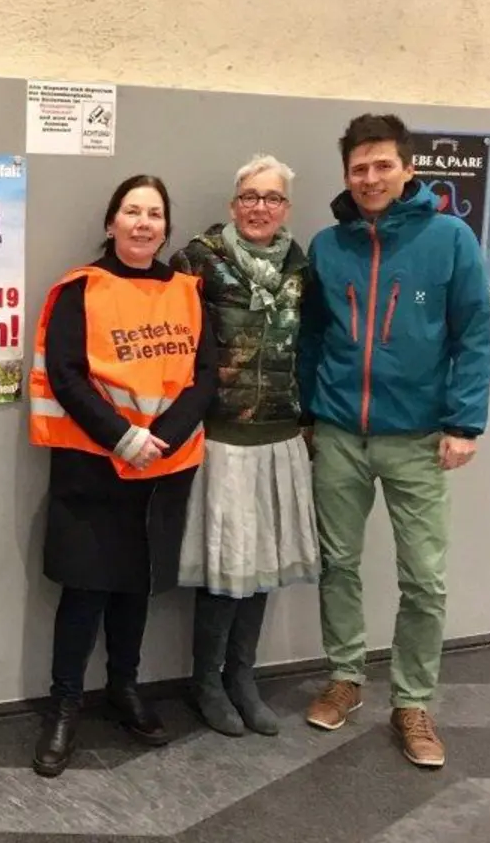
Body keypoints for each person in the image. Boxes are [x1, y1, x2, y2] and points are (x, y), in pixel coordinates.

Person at [297, 113, 490, 769]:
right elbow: (313, 338)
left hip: (418, 438)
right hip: (339, 433)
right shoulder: (329, 245)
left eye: (383, 165)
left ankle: (412, 702)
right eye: (359, 168)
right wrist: (308, 413)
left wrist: (466, 422)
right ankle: (346, 677)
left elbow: (472, 334)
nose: (371, 177)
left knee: (425, 579)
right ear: (347, 175)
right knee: (339, 564)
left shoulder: (451, 239)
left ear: (408, 169)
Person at [27, 175, 218, 777]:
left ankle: (124, 687)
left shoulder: (189, 291)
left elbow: (205, 375)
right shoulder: (79, 289)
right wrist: (123, 436)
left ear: (166, 227)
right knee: (85, 591)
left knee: (137, 584)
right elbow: (65, 374)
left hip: (163, 463)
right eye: (131, 211)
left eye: (154, 214)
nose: (143, 223)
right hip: (94, 464)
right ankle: (65, 703)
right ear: (110, 223)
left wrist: (163, 438)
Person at [169, 155, 319, 738]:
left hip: (280, 435)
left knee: (260, 566)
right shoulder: (198, 260)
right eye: (251, 197)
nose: (261, 208)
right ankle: (206, 682)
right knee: (224, 564)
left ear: (286, 208)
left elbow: (313, 343)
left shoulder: (302, 267)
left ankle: (242, 677)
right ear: (234, 205)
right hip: (220, 437)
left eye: (273, 198)